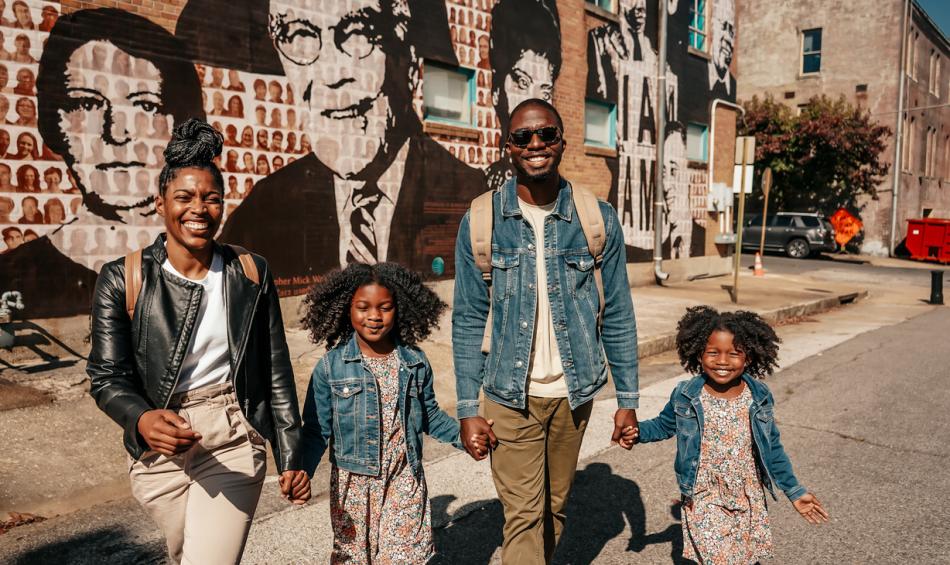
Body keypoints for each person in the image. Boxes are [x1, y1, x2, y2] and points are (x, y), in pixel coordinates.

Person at [86, 119, 310, 565]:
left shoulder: (249, 272)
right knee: (187, 556)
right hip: (158, 448)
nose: (199, 209)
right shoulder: (123, 277)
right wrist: (141, 419)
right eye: (184, 197)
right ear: (160, 203)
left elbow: (275, 370)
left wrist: (291, 454)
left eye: (211, 198)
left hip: (231, 430)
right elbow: (106, 376)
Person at [452, 99, 639, 565]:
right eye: (522, 137)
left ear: (561, 140)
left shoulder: (596, 219)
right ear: (507, 147)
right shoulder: (481, 220)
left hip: (573, 395)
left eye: (546, 134)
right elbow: (468, 318)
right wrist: (468, 407)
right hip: (507, 395)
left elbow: (616, 312)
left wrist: (628, 400)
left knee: (553, 510)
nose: (535, 144)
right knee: (522, 516)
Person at [221, 0, 485, 296]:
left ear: (408, 62)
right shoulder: (264, 209)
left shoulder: (472, 197)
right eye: (298, 38)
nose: (332, 76)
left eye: (358, 33)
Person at [11, 7, 204, 318]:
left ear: (176, 126)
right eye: (86, 103)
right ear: (54, 124)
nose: (117, 132)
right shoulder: (12, 275)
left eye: (145, 105)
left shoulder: (215, 267)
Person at [300, 262, 487, 563]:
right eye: (363, 307)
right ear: (346, 309)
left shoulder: (413, 362)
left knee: (405, 557)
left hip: (404, 479)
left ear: (399, 308)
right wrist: (300, 471)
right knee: (353, 558)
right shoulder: (330, 367)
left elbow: (430, 415)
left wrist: (464, 437)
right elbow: (315, 430)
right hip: (354, 488)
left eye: (384, 307)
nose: (374, 316)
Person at [637, 306, 830, 563]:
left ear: (748, 357)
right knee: (718, 558)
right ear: (698, 353)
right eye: (713, 352)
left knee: (741, 558)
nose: (723, 361)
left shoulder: (758, 396)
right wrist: (635, 431)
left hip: (746, 492)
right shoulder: (687, 394)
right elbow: (663, 425)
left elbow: (772, 448)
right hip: (703, 491)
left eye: (734, 353)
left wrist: (794, 491)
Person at [486, 0, 561, 192]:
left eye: (545, 92)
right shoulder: (478, 211)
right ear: (496, 92)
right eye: (522, 83)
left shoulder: (595, 213)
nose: (533, 106)